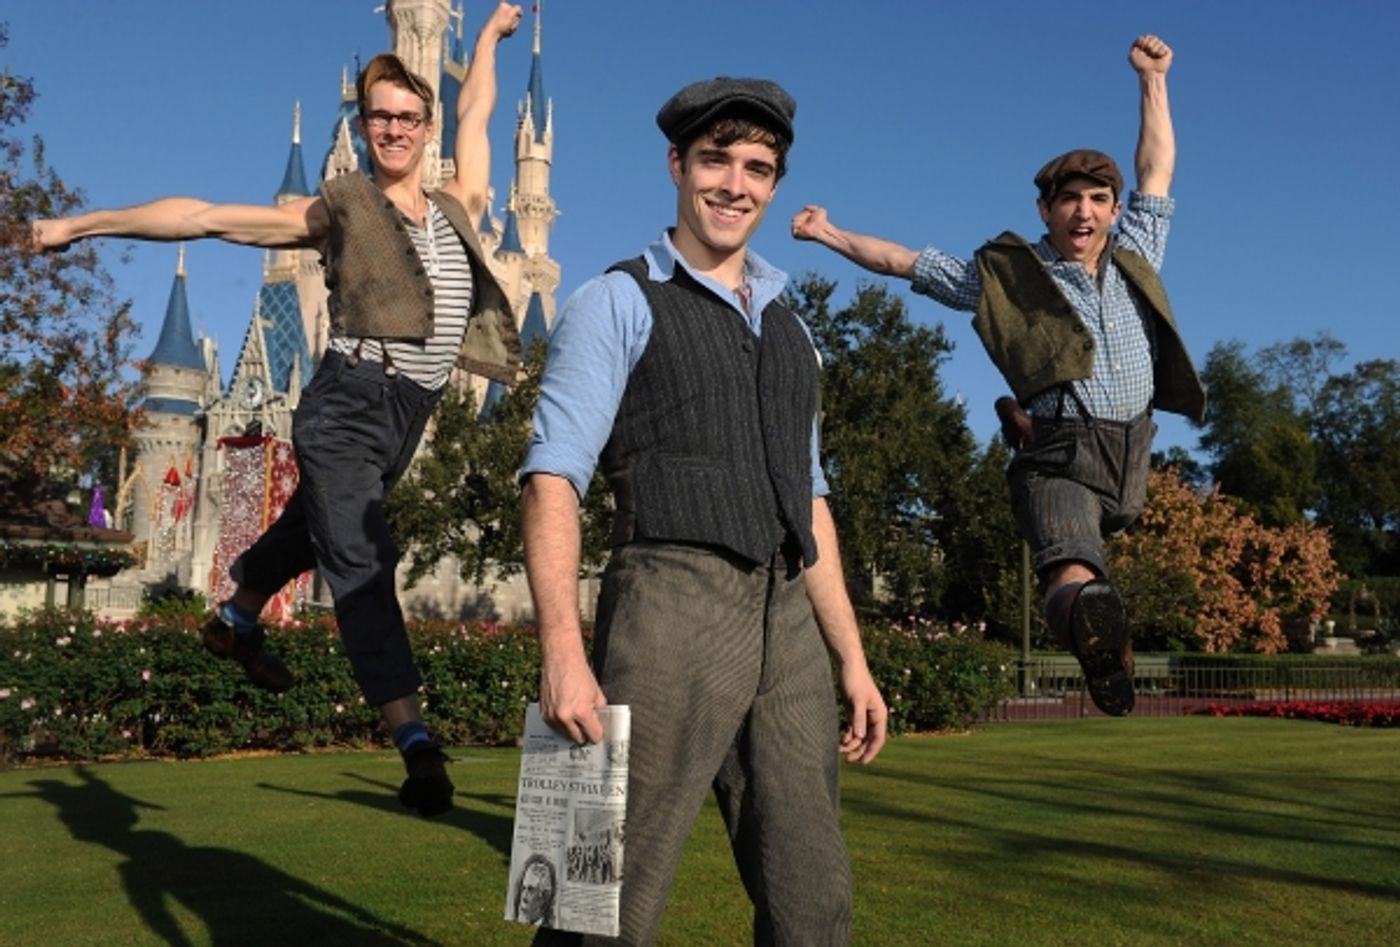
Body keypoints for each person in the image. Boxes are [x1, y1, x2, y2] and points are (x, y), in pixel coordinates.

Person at [32, 3, 527, 815]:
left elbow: (478, 107)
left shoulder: (458, 204)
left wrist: (484, 40)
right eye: (380, 117)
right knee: (364, 555)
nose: (395, 129)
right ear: (364, 127)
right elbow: (206, 217)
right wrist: (81, 225)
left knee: (313, 528)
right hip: (346, 402)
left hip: (408, 413)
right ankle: (415, 742)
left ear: (425, 122)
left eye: (409, 116)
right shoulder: (337, 209)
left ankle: (234, 616)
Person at [518, 76, 888, 946]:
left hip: (786, 613)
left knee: (814, 896)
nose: (735, 184)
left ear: (774, 184)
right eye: (715, 160)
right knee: (590, 891)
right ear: (678, 165)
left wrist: (854, 659)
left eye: (757, 168)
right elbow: (551, 481)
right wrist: (562, 655)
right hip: (666, 597)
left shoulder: (794, 330)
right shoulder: (616, 299)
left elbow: (811, 500)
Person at [791, 35, 1203, 717]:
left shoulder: (1137, 252)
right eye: (1069, 199)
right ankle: (1091, 627)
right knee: (1072, 562)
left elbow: (1156, 169)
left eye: (1098, 198)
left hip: (1133, 451)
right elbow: (905, 261)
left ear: (1112, 207)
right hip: (1059, 454)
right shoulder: (1006, 277)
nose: (1085, 211)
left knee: (1104, 552)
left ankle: (1108, 641)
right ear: (1045, 209)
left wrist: (1153, 80)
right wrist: (831, 234)